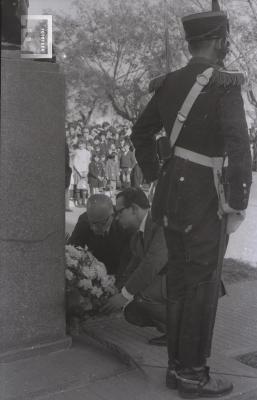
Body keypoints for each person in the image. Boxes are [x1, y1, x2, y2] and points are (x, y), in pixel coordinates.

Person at [131, 1, 252, 397]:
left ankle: (175, 369)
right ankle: (193, 375)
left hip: (172, 196)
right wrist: (237, 203)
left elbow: (141, 133)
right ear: (218, 41)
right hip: (206, 197)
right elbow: (238, 146)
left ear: (190, 43)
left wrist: (154, 173)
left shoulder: (167, 83)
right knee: (201, 287)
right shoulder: (224, 83)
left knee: (180, 284)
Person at [101, 188, 168, 345]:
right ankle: (172, 328)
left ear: (134, 209)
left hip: (190, 285)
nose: (116, 218)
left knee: (137, 297)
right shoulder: (140, 232)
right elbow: (133, 266)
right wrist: (116, 290)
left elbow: (151, 264)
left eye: (119, 212)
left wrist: (124, 295)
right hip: (169, 282)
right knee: (131, 310)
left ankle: (180, 331)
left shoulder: (160, 223)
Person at [67, 194, 131, 277]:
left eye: (99, 224)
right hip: (95, 271)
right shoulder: (84, 221)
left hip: (118, 270)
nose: (93, 228)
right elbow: (73, 250)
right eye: (91, 223)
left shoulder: (123, 225)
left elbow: (128, 262)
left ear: (111, 216)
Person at [72, 141, 91, 207]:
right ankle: (78, 202)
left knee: (84, 187)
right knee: (78, 187)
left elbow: (88, 162)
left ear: (84, 144)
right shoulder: (76, 151)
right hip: (78, 172)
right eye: (79, 144)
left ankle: (83, 202)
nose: (81, 145)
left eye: (82, 144)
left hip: (85, 171)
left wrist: (87, 171)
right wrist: (79, 172)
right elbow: (75, 163)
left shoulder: (87, 152)